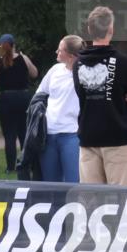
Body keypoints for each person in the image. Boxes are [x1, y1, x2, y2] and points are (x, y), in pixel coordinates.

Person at [72, 6, 127, 185]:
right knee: (125, 200)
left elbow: (82, 95)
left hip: (89, 137)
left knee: (92, 202)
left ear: (89, 30)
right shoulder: (123, 62)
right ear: (111, 30)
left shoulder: (78, 64)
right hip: (117, 138)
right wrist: (121, 99)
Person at [0, 33, 38, 174]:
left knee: (9, 134)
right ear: (14, 45)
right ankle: (26, 163)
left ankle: (10, 167)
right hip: (24, 97)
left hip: (7, 99)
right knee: (24, 133)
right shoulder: (23, 58)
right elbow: (34, 73)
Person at [36, 35, 83, 182]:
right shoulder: (55, 70)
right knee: (50, 182)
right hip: (49, 133)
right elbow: (40, 94)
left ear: (71, 56)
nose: (56, 51)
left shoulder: (83, 74)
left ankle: (75, 205)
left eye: (60, 49)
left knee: (73, 181)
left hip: (72, 134)